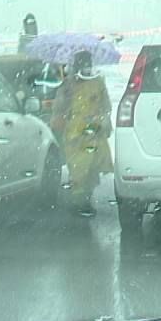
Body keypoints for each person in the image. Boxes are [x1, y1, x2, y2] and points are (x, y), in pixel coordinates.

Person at [49, 50, 113, 210]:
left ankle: (85, 198)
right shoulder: (68, 84)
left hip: (92, 130)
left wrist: (105, 122)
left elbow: (106, 105)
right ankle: (79, 200)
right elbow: (59, 107)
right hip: (76, 132)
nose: (86, 67)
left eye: (88, 64)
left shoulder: (97, 81)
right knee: (79, 168)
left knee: (91, 167)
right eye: (83, 64)